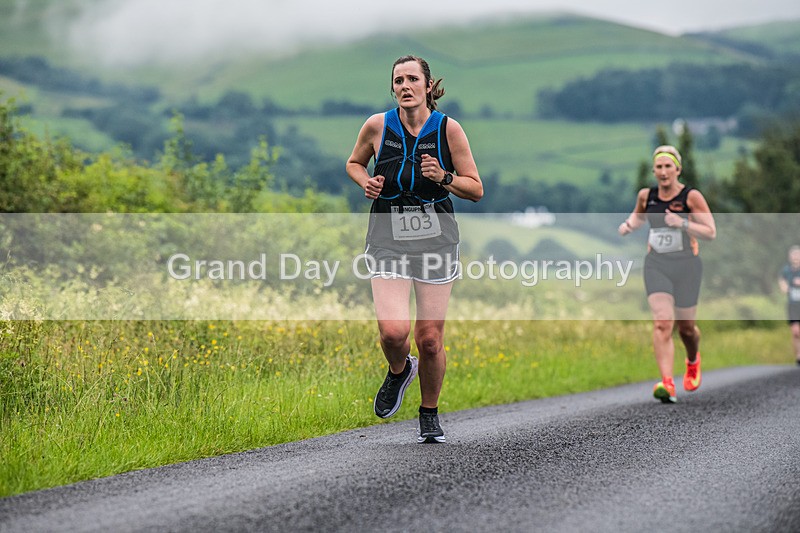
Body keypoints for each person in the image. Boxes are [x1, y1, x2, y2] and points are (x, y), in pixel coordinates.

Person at [346, 55, 483, 442]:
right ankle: (398, 371)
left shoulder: (448, 129)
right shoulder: (377, 125)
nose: (405, 86)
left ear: (427, 86)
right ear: (392, 88)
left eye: (412, 79)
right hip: (387, 236)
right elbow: (354, 163)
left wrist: (444, 177)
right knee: (392, 332)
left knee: (429, 339)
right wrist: (365, 182)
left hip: (436, 240)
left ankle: (429, 412)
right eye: (398, 80)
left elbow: (475, 188)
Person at [618, 145, 716, 403]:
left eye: (668, 167)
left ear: (678, 169)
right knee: (662, 322)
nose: (663, 172)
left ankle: (692, 360)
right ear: (654, 170)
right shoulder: (646, 196)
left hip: (687, 266)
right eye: (659, 167)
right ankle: (667, 383)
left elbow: (710, 232)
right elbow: (638, 217)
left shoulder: (691, 197)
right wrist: (628, 226)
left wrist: (682, 223)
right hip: (656, 264)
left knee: (686, 329)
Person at [778, 245, 800, 365]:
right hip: (793, 305)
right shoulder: (786, 270)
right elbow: (782, 282)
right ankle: (798, 356)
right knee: (795, 332)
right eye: (793, 255)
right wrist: (784, 287)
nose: (796, 258)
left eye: (798, 255)